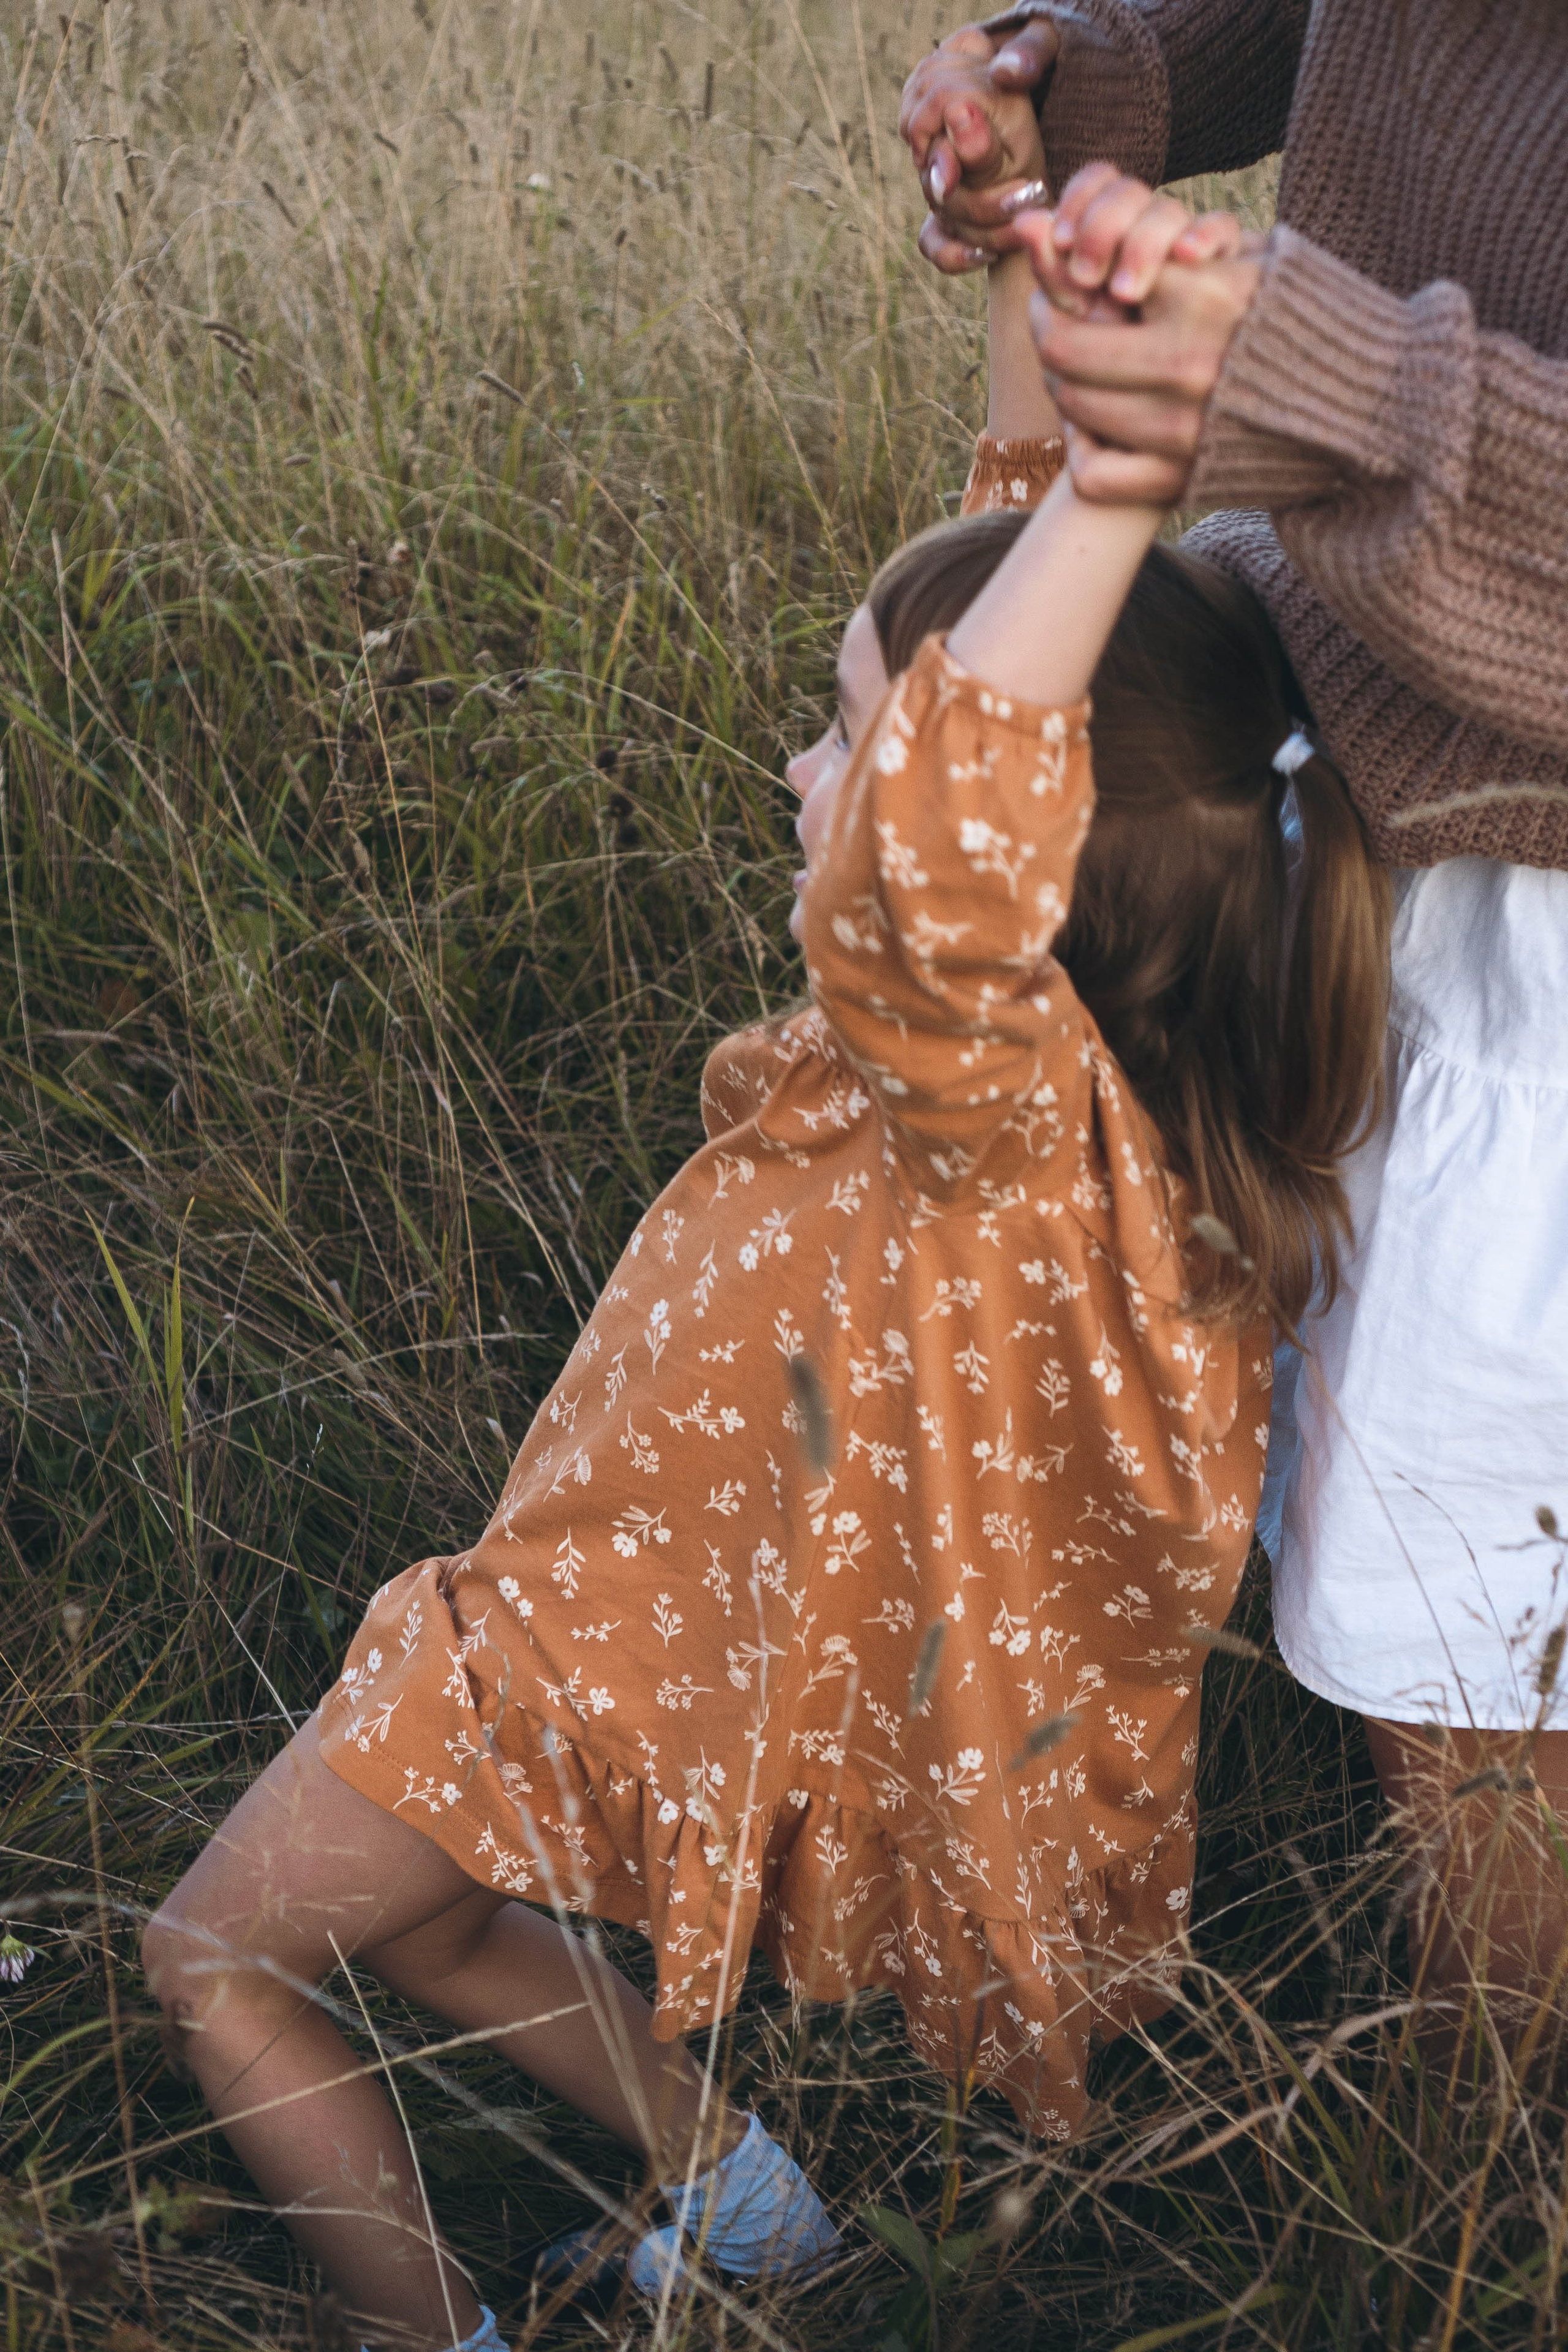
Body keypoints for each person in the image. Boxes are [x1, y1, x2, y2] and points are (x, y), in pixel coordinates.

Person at [141, 216, 1390, 2352]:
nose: (806, 775)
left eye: (848, 742)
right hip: (674, 1624)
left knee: (215, 1963)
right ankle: (755, 2219)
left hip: (590, 1643)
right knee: (442, 1924)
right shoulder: (1096, 1082)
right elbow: (1004, 672)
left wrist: (1120, 490)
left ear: (995, 870)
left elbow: (941, 825)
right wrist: (1040, 254)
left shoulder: (972, 1096)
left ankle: (433, 2330)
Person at [899, 0, 1568, 2059]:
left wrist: (1350, 392)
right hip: (1386, 805)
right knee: (1447, 1664)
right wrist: (1121, 84)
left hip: (1538, 923)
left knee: (1477, 1676)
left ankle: (1471, 2193)